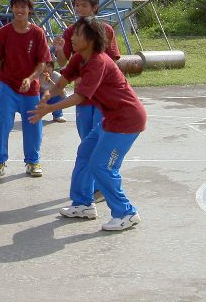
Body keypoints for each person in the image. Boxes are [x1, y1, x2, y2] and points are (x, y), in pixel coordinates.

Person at [30, 16, 146, 232]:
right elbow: (62, 83)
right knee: (85, 152)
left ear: (91, 39)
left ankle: (126, 212)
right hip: (110, 118)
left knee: (102, 165)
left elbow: (80, 97)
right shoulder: (79, 58)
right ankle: (83, 204)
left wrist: (50, 109)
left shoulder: (98, 62)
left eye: (77, 33)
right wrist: (47, 96)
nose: (71, 37)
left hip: (127, 120)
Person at [0, 0, 52, 180]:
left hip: (30, 89)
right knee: (2, 125)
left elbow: (42, 63)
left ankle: (33, 162)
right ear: (12, 8)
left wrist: (31, 78)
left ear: (29, 9)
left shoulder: (38, 33)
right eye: (16, 6)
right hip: (7, 86)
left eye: (23, 6)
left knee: (33, 125)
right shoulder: (3, 33)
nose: (19, 10)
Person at [53, 0, 122, 140]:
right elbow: (63, 61)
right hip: (82, 93)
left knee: (101, 134)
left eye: (84, 5)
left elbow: (113, 62)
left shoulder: (106, 30)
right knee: (85, 137)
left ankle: (97, 163)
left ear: (94, 7)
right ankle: (88, 163)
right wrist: (59, 49)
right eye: (77, 5)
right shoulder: (71, 31)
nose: (79, 9)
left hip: (104, 93)